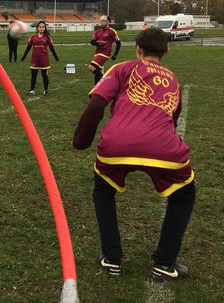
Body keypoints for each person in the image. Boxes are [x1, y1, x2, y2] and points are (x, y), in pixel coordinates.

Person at [73, 27, 195, 281]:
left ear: (138, 49)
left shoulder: (123, 68)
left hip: (116, 145)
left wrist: (81, 141)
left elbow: (97, 102)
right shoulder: (173, 78)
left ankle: (112, 258)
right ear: (166, 51)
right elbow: (172, 117)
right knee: (183, 196)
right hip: (164, 147)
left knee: (104, 192)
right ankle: (164, 263)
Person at [20, 20, 59, 95]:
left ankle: (46, 90)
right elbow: (28, 48)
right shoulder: (33, 37)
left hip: (44, 59)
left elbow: (51, 48)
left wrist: (55, 56)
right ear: (37, 28)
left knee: (45, 76)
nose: (41, 28)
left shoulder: (47, 37)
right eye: (40, 27)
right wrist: (24, 56)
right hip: (35, 59)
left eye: (43, 27)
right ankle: (32, 90)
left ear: (45, 28)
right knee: (33, 76)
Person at [88, 15, 121, 84]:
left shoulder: (112, 31)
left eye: (103, 21)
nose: (101, 22)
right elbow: (92, 42)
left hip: (105, 53)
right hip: (97, 53)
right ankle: (97, 88)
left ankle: (104, 78)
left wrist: (115, 54)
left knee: (91, 67)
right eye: (101, 21)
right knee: (97, 71)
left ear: (108, 22)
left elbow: (118, 43)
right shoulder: (97, 32)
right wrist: (99, 44)